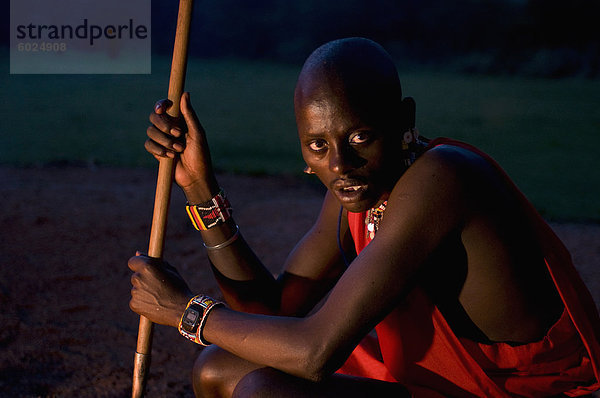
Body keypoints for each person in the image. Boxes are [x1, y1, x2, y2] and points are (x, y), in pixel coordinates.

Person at [128, 37, 600, 397]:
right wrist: (199, 187)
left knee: (261, 390)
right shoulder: (361, 187)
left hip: (512, 395)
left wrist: (183, 311)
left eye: (360, 138)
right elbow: (268, 311)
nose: (338, 165)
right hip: (433, 387)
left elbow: (315, 352)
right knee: (216, 366)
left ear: (402, 121)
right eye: (318, 146)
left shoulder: (443, 179)